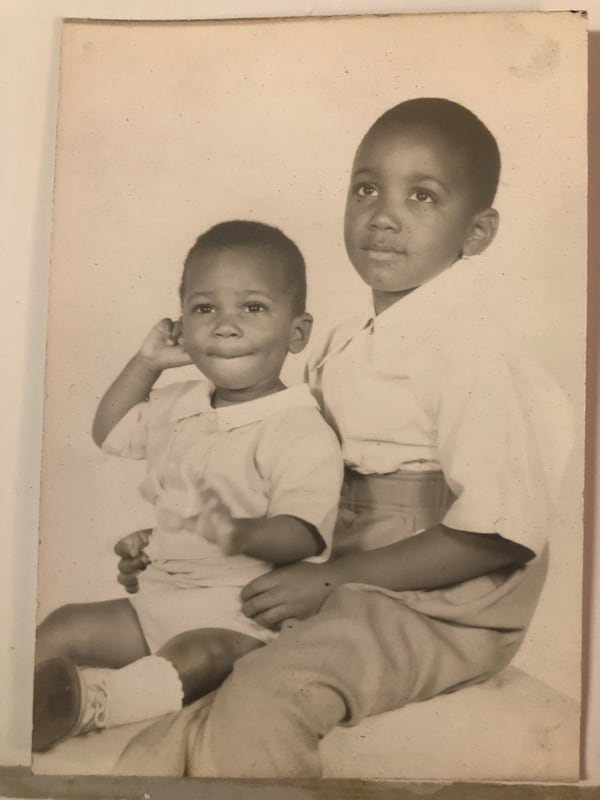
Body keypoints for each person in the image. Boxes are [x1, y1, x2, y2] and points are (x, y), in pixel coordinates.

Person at [113, 98, 574, 778]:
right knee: (185, 652)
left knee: (269, 696)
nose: (383, 214)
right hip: (355, 559)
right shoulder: (345, 340)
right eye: (366, 188)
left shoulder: (476, 353)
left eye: (422, 195)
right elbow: (298, 477)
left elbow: (497, 534)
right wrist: (184, 544)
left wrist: (331, 579)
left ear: (476, 233)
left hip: (445, 601)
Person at [32, 220, 344, 752]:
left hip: (238, 615)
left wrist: (226, 529)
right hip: (158, 600)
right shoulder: (181, 403)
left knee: (200, 655)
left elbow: (302, 535)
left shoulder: (299, 427)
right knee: (63, 625)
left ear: (298, 332)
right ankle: (20, 699)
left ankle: (98, 702)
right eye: (205, 309)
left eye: (253, 308)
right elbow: (108, 432)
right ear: (181, 323)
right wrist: (146, 364)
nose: (225, 327)